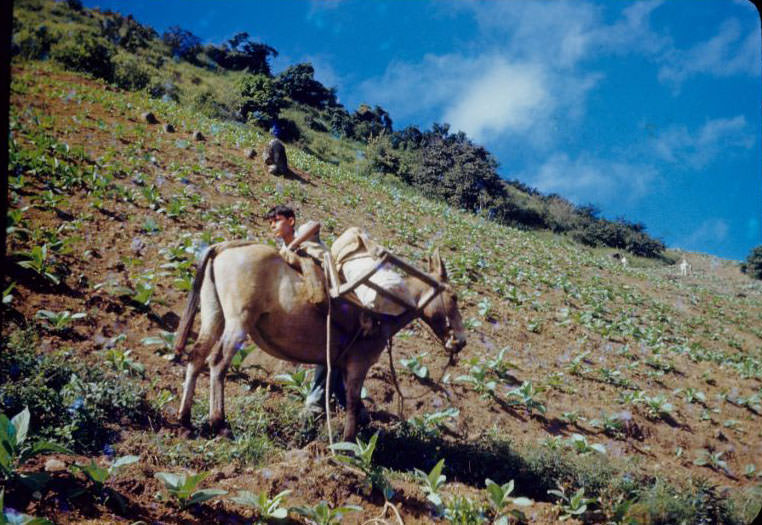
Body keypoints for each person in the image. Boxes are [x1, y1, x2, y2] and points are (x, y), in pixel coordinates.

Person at [265, 205, 345, 413]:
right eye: (270, 222)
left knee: (335, 346)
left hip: (334, 286)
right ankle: (344, 401)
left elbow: (316, 224)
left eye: (277, 220)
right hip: (312, 295)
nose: (273, 225)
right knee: (334, 352)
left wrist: (293, 246)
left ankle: (318, 401)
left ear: (291, 221)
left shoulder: (302, 232)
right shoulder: (282, 248)